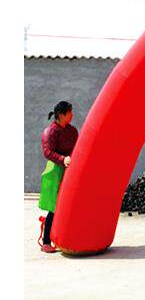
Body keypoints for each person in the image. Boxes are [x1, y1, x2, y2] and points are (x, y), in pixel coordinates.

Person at [39, 101, 78, 253]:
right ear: (61, 115)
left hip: (70, 169)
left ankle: (67, 236)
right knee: (55, 206)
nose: (72, 115)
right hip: (56, 171)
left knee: (70, 205)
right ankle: (46, 241)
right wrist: (63, 159)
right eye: (69, 112)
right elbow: (47, 152)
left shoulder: (72, 131)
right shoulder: (51, 131)